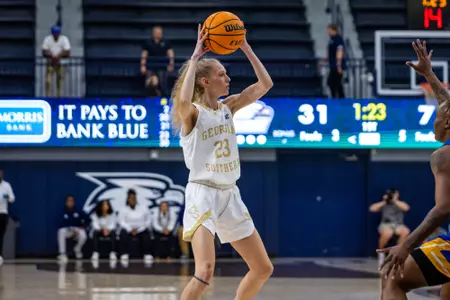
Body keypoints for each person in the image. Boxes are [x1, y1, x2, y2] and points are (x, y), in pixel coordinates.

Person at [172, 24, 274, 300]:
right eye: (222, 74)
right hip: (202, 193)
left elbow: (265, 85)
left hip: (230, 195)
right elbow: (182, 102)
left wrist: (245, 47)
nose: (228, 78)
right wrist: (195, 58)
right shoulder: (193, 114)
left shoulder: (229, 107)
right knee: (204, 271)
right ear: (205, 82)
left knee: (263, 268)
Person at [378, 39, 450, 300]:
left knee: (391, 276)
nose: (434, 122)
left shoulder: (444, 155)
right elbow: (448, 105)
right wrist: (429, 73)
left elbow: (444, 208)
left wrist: (406, 245)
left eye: (437, 117)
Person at [369, 188, 410, 267]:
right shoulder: (384, 204)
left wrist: (394, 200)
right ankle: (381, 253)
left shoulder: (399, 203)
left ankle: (398, 252)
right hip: (386, 224)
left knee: (405, 231)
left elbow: (406, 208)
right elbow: (372, 208)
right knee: (388, 233)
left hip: (398, 224)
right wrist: (385, 201)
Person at [57, 195, 87, 262]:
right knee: (61, 231)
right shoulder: (62, 211)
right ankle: (62, 254)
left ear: (74, 202)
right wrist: (70, 229)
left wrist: (82, 227)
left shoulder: (78, 210)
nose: (70, 202)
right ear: (65, 202)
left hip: (77, 229)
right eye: (68, 201)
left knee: (83, 235)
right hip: (68, 230)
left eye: (71, 201)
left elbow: (87, 219)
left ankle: (77, 249)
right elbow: (61, 223)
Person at [0, 170, 14, 266]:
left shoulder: (6, 185)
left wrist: (7, 197)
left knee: (0, 235)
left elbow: (12, 198)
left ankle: (0, 256)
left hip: (2, 213)